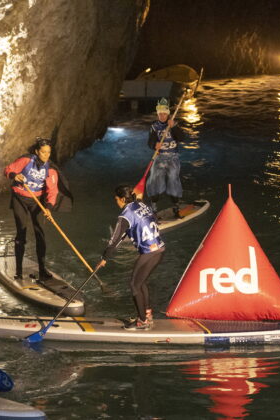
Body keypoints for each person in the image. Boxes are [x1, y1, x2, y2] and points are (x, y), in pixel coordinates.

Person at [96, 185, 165, 330]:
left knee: (134, 285)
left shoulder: (125, 215)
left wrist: (104, 257)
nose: (116, 202)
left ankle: (142, 321)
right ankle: (147, 314)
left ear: (122, 199)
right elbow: (149, 219)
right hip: (160, 249)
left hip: (149, 253)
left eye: (116, 199)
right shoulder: (141, 204)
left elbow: (113, 240)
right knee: (141, 282)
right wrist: (131, 230)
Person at [3, 137, 72, 281]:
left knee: (40, 233)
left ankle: (42, 270)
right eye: (43, 152)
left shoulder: (51, 170)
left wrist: (49, 208)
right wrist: (15, 176)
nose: (46, 156)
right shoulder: (26, 161)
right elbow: (8, 170)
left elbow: (52, 191)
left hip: (37, 201)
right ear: (37, 152)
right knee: (21, 232)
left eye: (48, 153)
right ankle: (19, 271)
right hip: (20, 199)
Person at [146, 97, 186, 219]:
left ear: (168, 113)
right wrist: (154, 145)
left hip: (173, 157)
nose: (162, 116)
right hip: (160, 157)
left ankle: (176, 207)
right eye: (160, 113)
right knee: (154, 180)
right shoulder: (154, 126)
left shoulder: (175, 123)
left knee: (173, 181)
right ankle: (153, 209)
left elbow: (181, 138)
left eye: (164, 113)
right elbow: (150, 142)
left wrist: (173, 127)